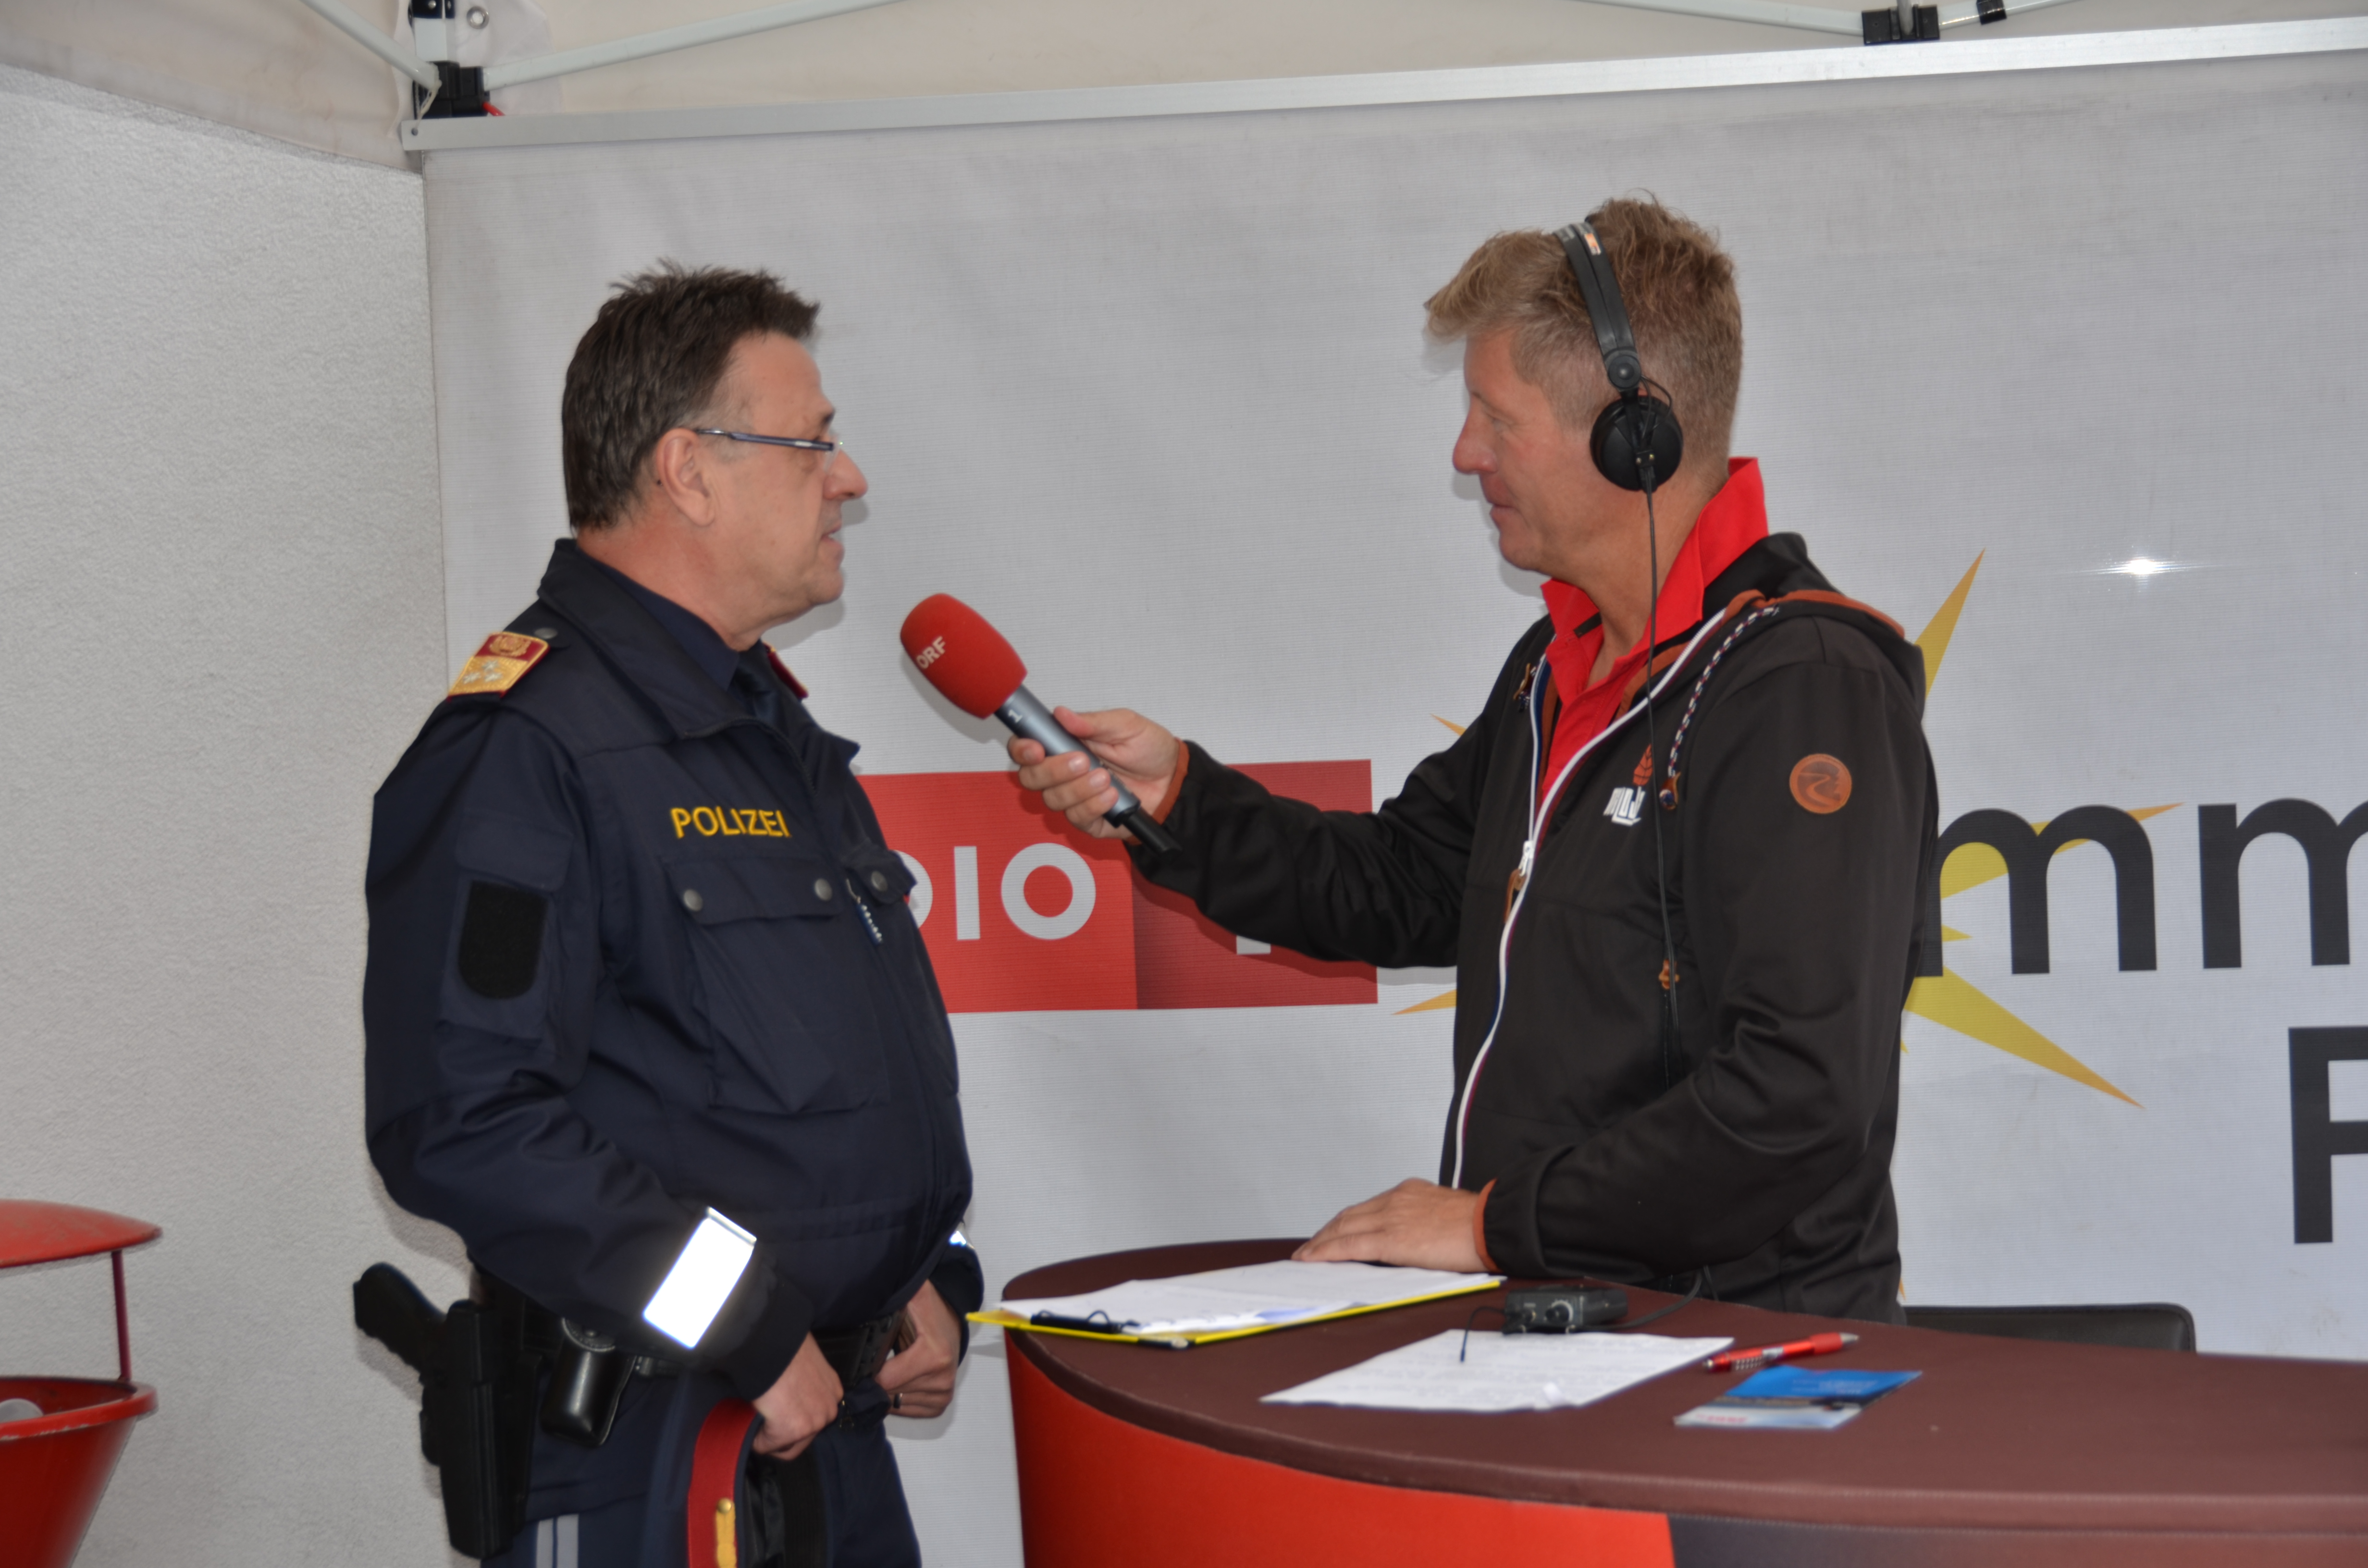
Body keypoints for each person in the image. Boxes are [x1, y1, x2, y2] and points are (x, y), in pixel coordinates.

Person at [1011, 199, 1937, 1322]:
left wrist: (1495, 1225)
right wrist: (1181, 803)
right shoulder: (1560, 669)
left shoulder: (1800, 686)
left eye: (1495, 417)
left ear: (1630, 433)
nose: (1465, 454)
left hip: (1735, 1365)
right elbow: (1404, 884)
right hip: (1574, 1331)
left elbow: (1797, 1096)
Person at [364, 263, 978, 1567]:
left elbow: (788, 1094)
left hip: (821, 1420)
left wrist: (908, 1277)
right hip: (662, 1440)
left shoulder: (764, 728)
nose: (850, 475)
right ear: (690, 473)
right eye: (811, 442)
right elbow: (465, 1123)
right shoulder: (525, 749)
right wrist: (746, 1322)